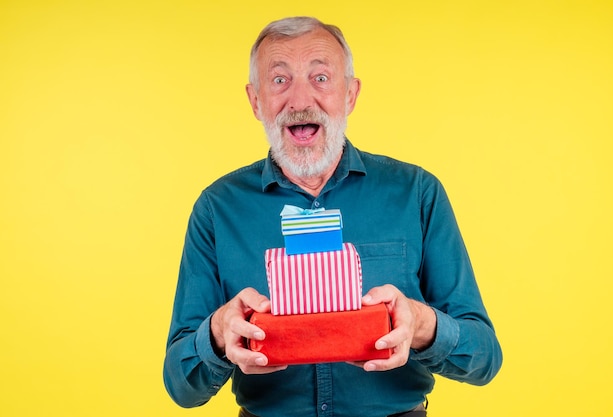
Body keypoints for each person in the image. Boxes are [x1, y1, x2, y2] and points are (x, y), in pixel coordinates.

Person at [163, 16, 502, 417]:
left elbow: (484, 360)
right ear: (256, 101)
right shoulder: (217, 209)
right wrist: (219, 334)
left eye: (320, 78)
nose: (301, 100)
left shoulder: (417, 194)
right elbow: (181, 386)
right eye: (279, 80)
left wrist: (422, 324)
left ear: (350, 95)